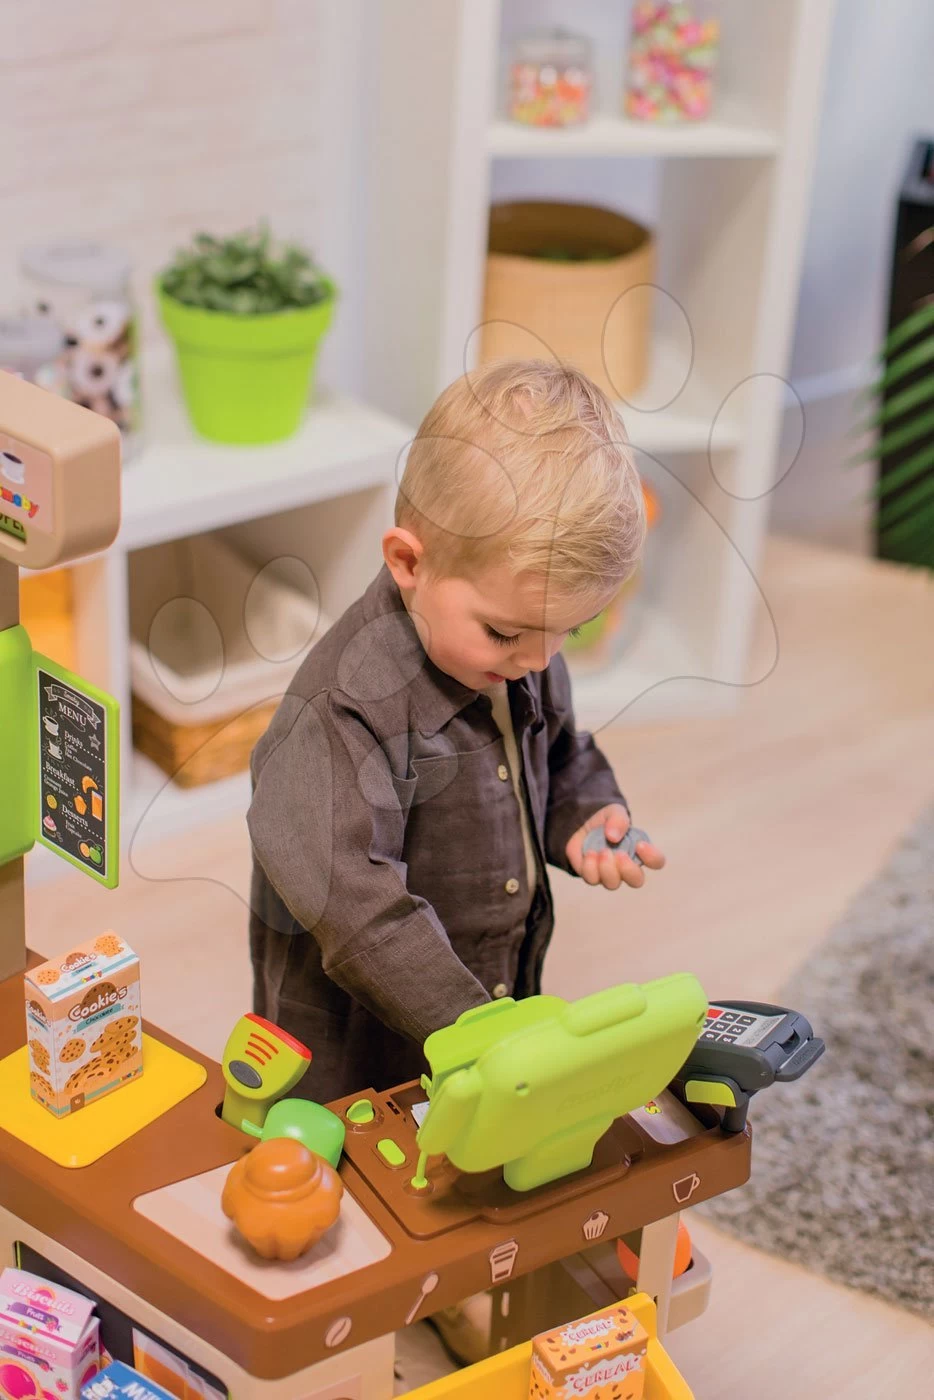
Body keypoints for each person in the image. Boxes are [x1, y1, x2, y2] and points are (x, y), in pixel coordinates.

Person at [247, 359, 666, 1108]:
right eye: (505, 632)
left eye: (569, 631)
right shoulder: (338, 713)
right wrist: (483, 1036)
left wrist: (582, 812)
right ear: (409, 562)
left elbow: (560, 751)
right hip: (359, 1055)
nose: (540, 659)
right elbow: (359, 913)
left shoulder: (521, 650)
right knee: (359, 1171)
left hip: (489, 1010)